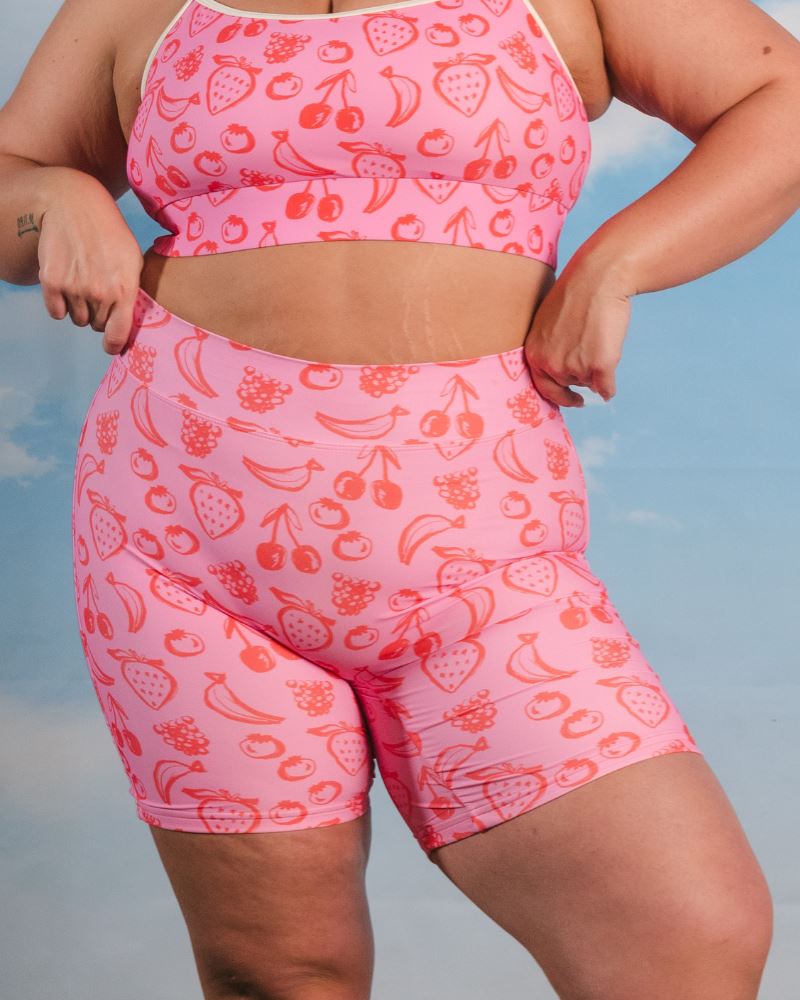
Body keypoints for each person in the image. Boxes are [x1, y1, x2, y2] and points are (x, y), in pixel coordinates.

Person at [1, 0, 797, 996]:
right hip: (180, 547)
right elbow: (8, 178)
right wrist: (55, 197)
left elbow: (780, 96)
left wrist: (617, 260)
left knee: (685, 942)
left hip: (475, 547)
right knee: (280, 973)